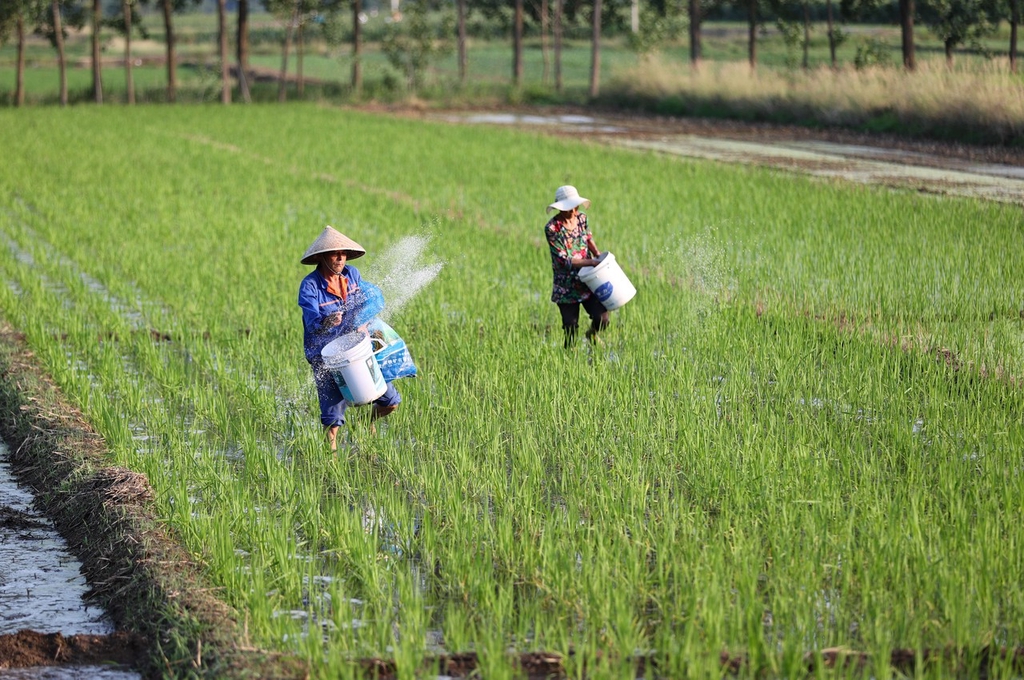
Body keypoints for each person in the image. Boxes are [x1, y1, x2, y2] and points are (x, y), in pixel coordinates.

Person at [298, 226, 400, 449]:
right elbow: (312, 320)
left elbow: (366, 301)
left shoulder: (352, 275)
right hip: (326, 355)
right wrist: (327, 322)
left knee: (390, 401)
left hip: (356, 348)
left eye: (343, 254)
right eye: (335, 254)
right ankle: (331, 461)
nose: (340, 258)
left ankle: (366, 423)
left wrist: (363, 323)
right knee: (333, 418)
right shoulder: (310, 286)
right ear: (322, 257)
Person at [544, 185, 609, 348]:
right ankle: (569, 364)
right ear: (560, 209)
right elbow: (564, 260)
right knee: (570, 329)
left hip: (587, 279)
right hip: (566, 286)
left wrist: (597, 254)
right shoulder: (552, 228)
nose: (573, 211)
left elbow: (587, 237)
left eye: (575, 207)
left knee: (602, 319)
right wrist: (593, 262)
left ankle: (592, 334)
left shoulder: (581, 218)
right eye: (569, 208)